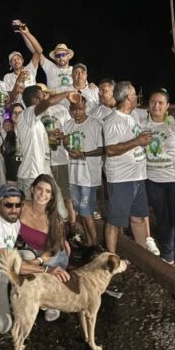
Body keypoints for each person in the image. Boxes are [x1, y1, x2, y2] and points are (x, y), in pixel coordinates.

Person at [0, 184, 69, 334]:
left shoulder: (14, 222)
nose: (14, 209)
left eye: (18, 205)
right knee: (3, 326)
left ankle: (36, 298)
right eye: (8, 205)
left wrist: (60, 240)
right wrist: (47, 269)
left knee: (29, 256)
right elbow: (13, 264)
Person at [103, 81, 160, 256]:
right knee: (114, 221)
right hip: (121, 179)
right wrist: (137, 142)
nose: (137, 97)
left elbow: (158, 113)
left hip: (138, 177)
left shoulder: (134, 115)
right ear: (128, 97)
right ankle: (111, 261)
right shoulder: (113, 121)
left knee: (138, 217)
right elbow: (110, 150)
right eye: (135, 94)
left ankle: (144, 257)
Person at [17, 84, 79, 220]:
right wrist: (68, 93)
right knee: (33, 217)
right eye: (41, 96)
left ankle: (61, 235)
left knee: (59, 210)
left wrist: (52, 137)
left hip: (44, 172)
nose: (45, 98)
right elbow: (49, 102)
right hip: (31, 175)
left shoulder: (36, 121)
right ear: (34, 100)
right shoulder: (27, 114)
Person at [17, 174, 72, 322]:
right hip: (31, 249)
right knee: (16, 262)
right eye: (40, 189)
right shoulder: (21, 207)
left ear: (52, 196)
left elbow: (53, 249)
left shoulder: (54, 219)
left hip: (52, 254)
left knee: (46, 271)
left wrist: (39, 261)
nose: (43, 194)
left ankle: (52, 303)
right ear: (32, 189)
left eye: (48, 191)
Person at [143, 89, 175, 266]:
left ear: (167, 106)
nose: (156, 106)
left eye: (160, 103)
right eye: (153, 102)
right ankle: (168, 257)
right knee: (163, 220)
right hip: (154, 181)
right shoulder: (142, 123)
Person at [63, 97, 104, 246]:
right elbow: (67, 147)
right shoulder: (67, 125)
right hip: (74, 175)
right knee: (80, 212)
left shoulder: (94, 124)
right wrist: (66, 145)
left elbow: (103, 149)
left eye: (80, 108)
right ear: (70, 109)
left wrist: (84, 154)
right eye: (74, 109)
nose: (77, 112)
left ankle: (95, 246)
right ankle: (88, 243)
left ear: (85, 106)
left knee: (86, 212)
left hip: (89, 177)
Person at [5, 19, 42, 104]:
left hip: (35, 106)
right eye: (13, 60)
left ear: (22, 60)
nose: (16, 61)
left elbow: (39, 51)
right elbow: (10, 99)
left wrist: (26, 33)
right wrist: (17, 84)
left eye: (18, 58)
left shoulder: (30, 68)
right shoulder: (7, 77)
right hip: (18, 108)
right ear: (10, 64)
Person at [2, 103, 25, 185]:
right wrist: (6, 119)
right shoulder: (5, 131)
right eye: (14, 112)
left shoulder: (28, 131)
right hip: (11, 175)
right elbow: (6, 110)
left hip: (26, 174)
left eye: (20, 112)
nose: (17, 115)